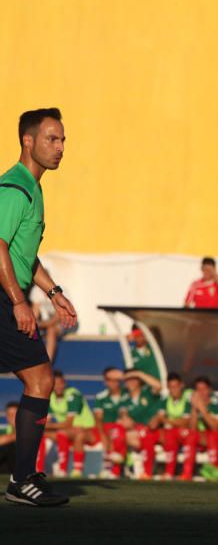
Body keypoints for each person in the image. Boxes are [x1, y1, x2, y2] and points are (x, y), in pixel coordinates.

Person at [1, 108, 77, 506]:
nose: (61, 147)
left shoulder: (33, 187)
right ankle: (22, 480)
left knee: (39, 379)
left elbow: (23, 254)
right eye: (52, 139)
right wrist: (18, 301)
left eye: (63, 139)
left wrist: (52, 292)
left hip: (10, 293)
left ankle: (23, 477)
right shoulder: (16, 188)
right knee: (40, 380)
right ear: (27, 141)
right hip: (3, 297)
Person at [41, 370, 97, 478]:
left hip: (87, 430)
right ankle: (37, 469)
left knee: (64, 433)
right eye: (55, 384)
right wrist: (37, 423)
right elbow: (46, 420)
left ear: (64, 383)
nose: (58, 386)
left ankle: (71, 469)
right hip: (69, 431)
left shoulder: (72, 395)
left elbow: (68, 423)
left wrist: (46, 426)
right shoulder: (51, 397)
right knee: (38, 433)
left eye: (60, 383)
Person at [152, 372, 198, 481]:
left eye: (176, 386)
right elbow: (157, 420)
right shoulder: (165, 401)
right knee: (167, 435)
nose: (174, 390)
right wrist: (161, 419)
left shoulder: (187, 399)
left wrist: (167, 420)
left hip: (186, 432)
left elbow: (185, 422)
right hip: (170, 433)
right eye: (171, 387)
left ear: (181, 385)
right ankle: (168, 472)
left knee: (188, 435)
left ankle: (187, 473)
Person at [118, 368, 163, 479]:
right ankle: (124, 465)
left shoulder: (147, 392)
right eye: (128, 380)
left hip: (153, 430)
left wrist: (138, 373)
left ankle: (146, 472)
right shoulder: (125, 397)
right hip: (135, 431)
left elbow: (159, 386)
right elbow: (123, 414)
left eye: (134, 379)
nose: (131, 382)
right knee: (119, 431)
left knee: (146, 435)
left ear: (139, 380)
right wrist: (125, 418)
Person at [91, 367, 129, 478]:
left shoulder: (127, 394)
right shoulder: (101, 397)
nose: (113, 382)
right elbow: (98, 419)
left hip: (123, 428)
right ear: (105, 381)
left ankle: (113, 470)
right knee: (113, 434)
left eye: (116, 379)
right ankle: (112, 467)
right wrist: (103, 434)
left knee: (118, 431)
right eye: (109, 379)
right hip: (106, 427)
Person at [0, 402, 17, 475]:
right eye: (9, 414)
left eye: (14, 414)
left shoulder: (30, 428)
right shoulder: (5, 430)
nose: (11, 417)